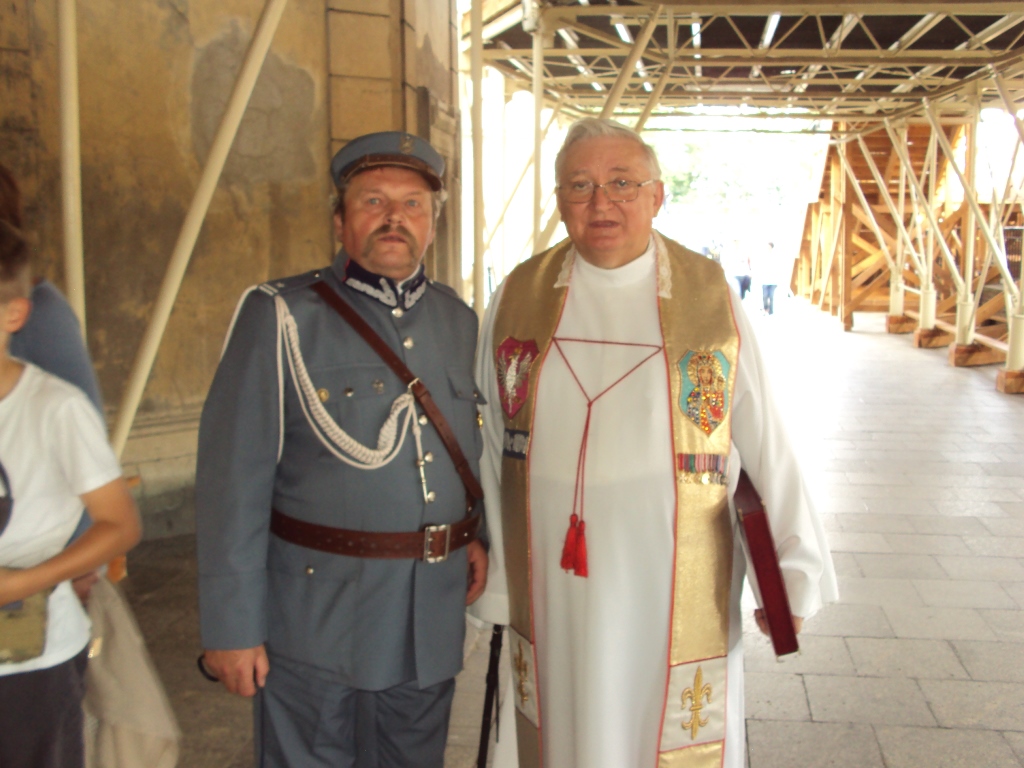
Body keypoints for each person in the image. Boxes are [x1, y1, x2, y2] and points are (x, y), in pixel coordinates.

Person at [471, 118, 836, 768]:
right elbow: (495, 443)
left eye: (621, 183)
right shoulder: (518, 298)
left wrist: (795, 573)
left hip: (671, 570)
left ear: (657, 196)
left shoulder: (709, 299)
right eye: (579, 186)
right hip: (555, 581)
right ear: (558, 199)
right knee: (558, 725)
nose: (600, 204)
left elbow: (765, 440)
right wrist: (500, 575)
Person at [195, 131, 488, 768]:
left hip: (425, 614)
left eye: (413, 204)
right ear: (339, 219)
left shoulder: (458, 321)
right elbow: (231, 486)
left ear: (432, 224)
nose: (394, 218)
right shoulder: (280, 316)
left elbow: (470, 449)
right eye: (373, 200)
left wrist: (478, 537)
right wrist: (231, 627)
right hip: (316, 616)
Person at [0, 209, 142, 768]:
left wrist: (26, 580)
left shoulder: (53, 408)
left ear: (14, 313)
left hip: (30, 662)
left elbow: (120, 524)